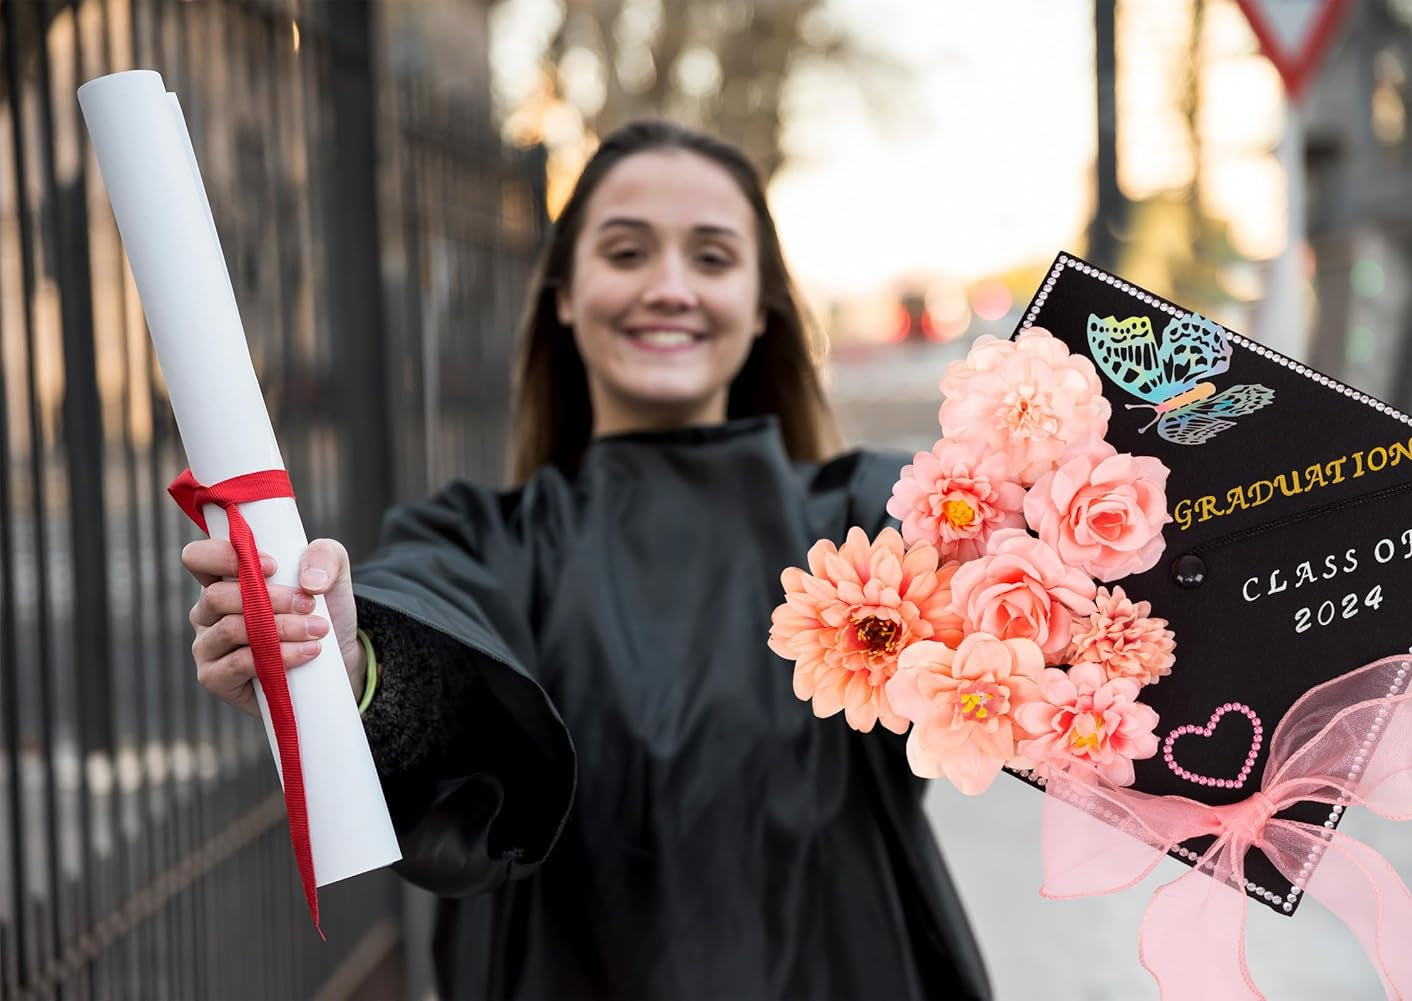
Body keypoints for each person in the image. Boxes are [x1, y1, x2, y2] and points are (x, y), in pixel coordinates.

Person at [182, 120, 989, 1000]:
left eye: (713, 258)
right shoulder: (484, 540)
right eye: (627, 250)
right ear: (564, 294)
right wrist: (346, 658)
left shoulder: (876, 518)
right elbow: (434, 649)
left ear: (762, 305)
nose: (670, 287)